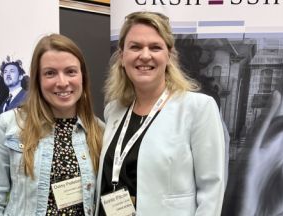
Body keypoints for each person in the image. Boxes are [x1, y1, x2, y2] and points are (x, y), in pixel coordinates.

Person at [95, 12, 225, 215]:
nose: (145, 55)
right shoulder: (114, 110)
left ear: (170, 56)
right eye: (135, 47)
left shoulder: (198, 109)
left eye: (155, 47)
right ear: (122, 57)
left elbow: (212, 191)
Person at [0, 34, 103, 216]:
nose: (62, 82)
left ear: (83, 77)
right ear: (37, 80)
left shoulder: (99, 130)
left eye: (71, 71)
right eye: (50, 73)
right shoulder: (9, 125)